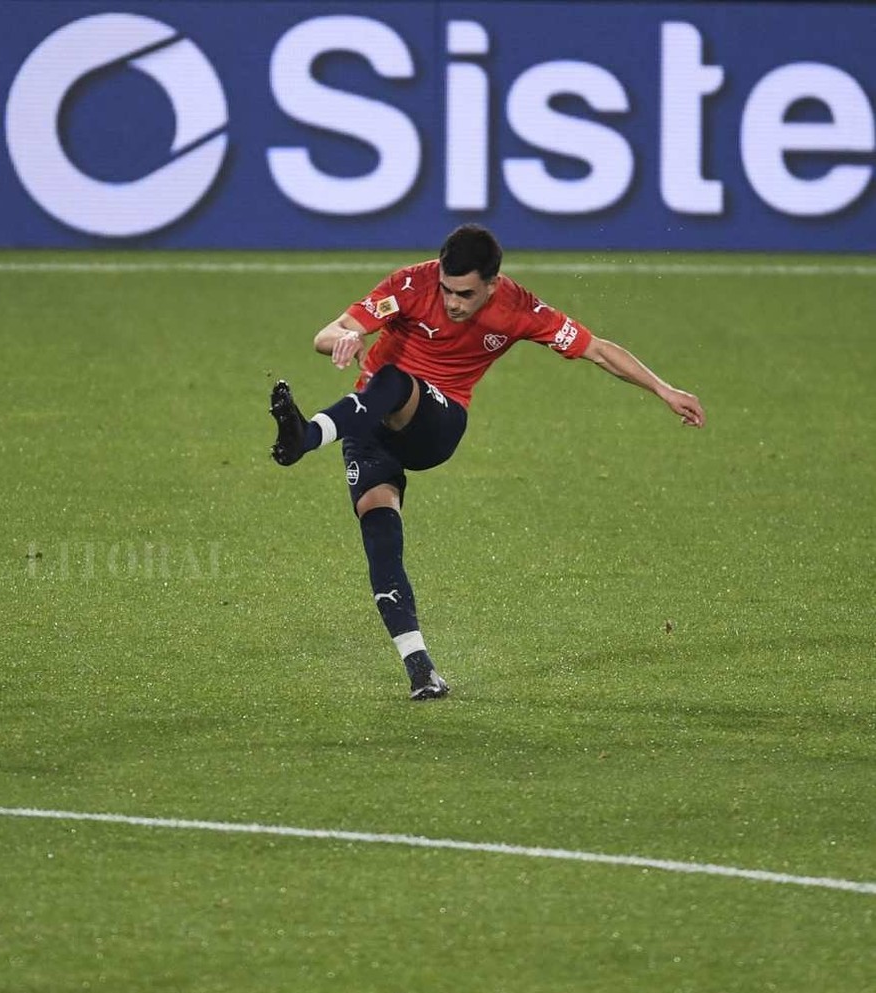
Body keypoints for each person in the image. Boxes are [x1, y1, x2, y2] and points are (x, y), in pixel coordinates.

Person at [269, 224, 706, 700]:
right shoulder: (411, 285)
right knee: (379, 531)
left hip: (436, 424)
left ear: (493, 284)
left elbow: (597, 350)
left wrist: (664, 389)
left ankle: (307, 436)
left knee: (393, 378)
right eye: (447, 289)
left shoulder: (518, 308)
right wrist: (343, 340)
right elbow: (326, 334)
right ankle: (421, 670)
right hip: (367, 424)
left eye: (466, 294)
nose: (453, 302)